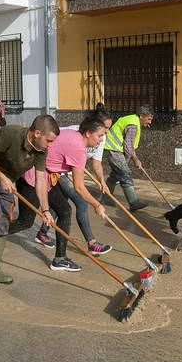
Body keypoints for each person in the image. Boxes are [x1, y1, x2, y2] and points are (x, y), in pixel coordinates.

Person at [0, 115, 59, 286]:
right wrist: (1, 177)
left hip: (6, 179)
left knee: (4, 221)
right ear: (37, 133)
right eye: (49, 140)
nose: (50, 145)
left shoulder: (41, 151)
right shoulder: (11, 133)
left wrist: (45, 210)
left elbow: (40, 181)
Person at [11, 114, 111, 271]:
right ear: (88, 133)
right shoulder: (78, 148)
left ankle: (59, 259)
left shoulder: (73, 134)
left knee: (64, 210)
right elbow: (79, 187)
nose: (100, 140)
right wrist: (97, 205)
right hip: (32, 177)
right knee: (25, 222)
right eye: (99, 136)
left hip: (47, 176)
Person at [33, 103, 113, 255]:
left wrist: (102, 181)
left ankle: (43, 232)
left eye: (108, 129)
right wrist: (97, 205)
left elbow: (96, 163)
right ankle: (91, 243)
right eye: (104, 130)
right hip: (53, 170)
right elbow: (79, 187)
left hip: (65, 170)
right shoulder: (76, 134)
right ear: (91, 128)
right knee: (80, 202)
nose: (105, 135)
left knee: (60, 205)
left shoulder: (98, 139)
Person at [102, 105, 154, 211]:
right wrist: (135, 159)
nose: (150, 122)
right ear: (141, 116)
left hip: (114, 149)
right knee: (125, 173)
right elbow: (128, 145)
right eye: (148, 119)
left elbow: (128, 145)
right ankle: (133, 202)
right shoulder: (133, 124)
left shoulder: (133, 120)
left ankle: (105, 198)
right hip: (114, 149)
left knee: (115, 175)